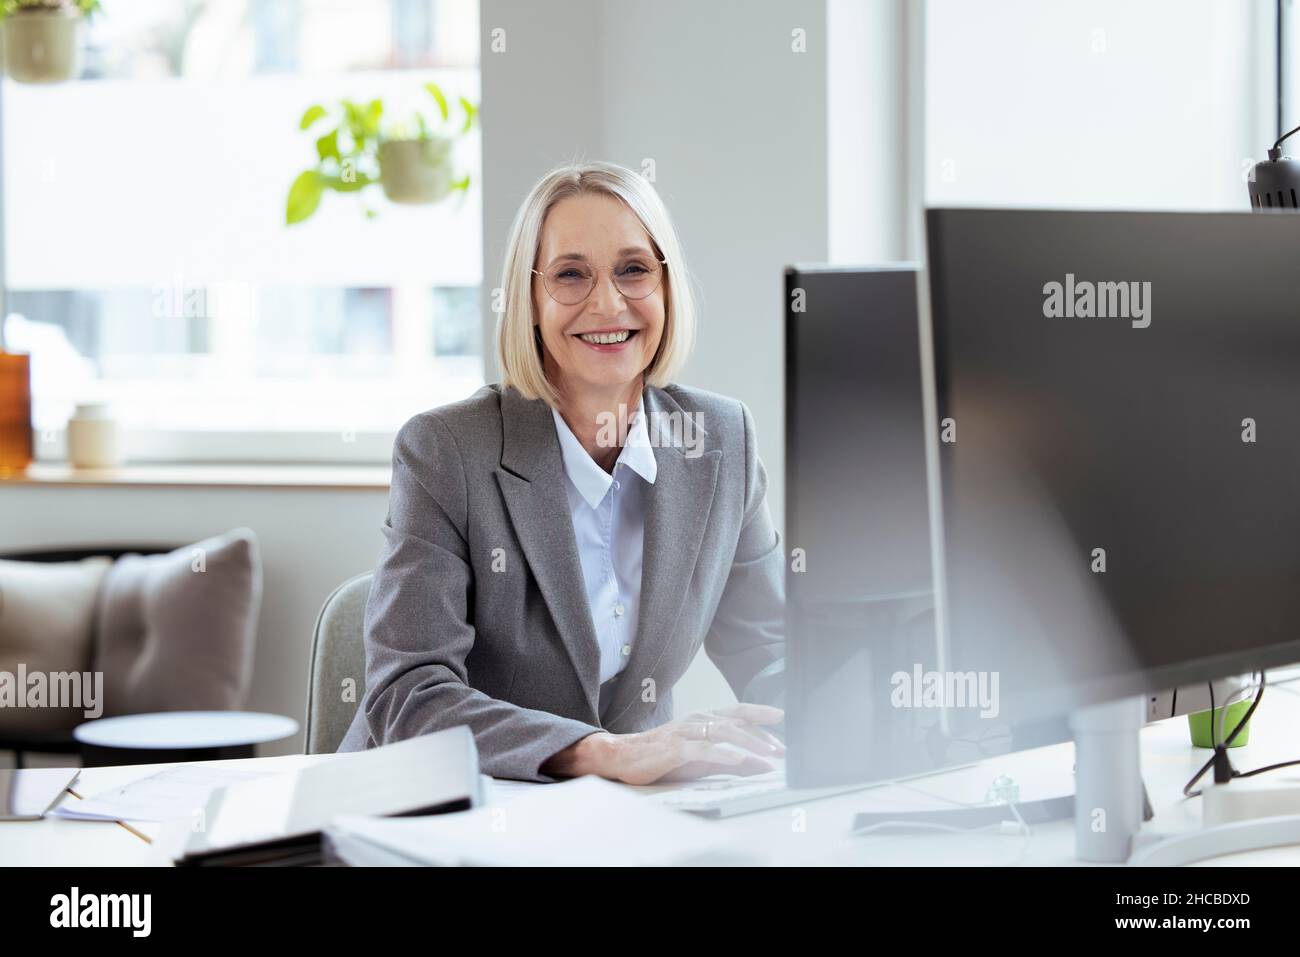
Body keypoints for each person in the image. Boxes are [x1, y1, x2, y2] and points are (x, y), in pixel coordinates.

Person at [337, 161, 785, 784]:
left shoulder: (719, 440)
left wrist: (857, 717)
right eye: (572, 275)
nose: (607, 303)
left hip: (623, 821)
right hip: (441, 809)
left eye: (633, 269)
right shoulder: (446, 451)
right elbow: (408, 698)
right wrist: (607, 753)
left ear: (666, 287)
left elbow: (773, 651)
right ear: (530, 301)